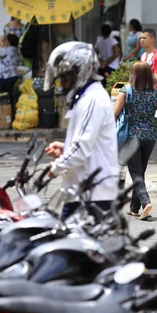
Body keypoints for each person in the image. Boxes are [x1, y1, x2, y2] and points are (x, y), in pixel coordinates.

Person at [42, 42, 118, 221]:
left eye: (65, 79)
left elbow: (81, 148)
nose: (62, 86)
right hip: (82, 190)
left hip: (92, 194)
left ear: (82, 72)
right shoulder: (86, 97)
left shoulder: (92, 99)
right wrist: (65, 147)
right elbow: (87, 143)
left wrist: (52, 169)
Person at [114, 62, 157, 220]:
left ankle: (145, 202)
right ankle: (134, 208)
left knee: (135, 172)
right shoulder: (156, 94)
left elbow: (113, 115)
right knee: (140, 171)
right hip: (150, 136)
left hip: (131, 136)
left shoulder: (126, 91)